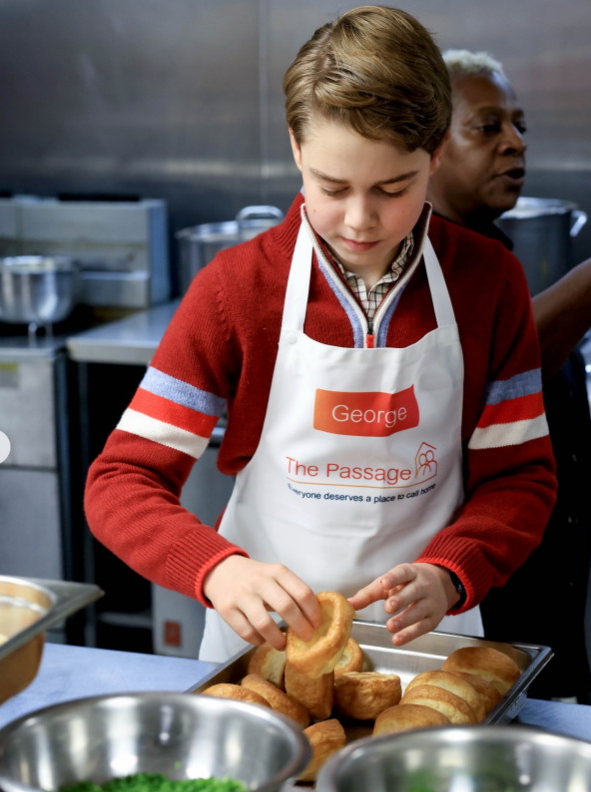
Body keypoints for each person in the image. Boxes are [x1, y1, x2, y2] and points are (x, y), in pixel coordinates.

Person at [85, 8, 557, 664]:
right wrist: (218, 570)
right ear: (296, 149)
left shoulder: (488, 283)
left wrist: (451, 572)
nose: (360, 221)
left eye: (393, 188)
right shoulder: (237, 289)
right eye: (331, 187)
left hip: (425, 644)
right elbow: (121, 479)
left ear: (435, 154)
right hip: (263, 648)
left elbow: (522, 477)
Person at [427, 50, 591, 699]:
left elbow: (513, 411)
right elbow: (492, 370)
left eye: (518, 125)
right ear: (424, 142)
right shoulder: (413, 263)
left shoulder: (491, 256)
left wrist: (569, 470)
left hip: (540, 590)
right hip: (473, 606)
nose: (514, 143)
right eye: (486, 126)